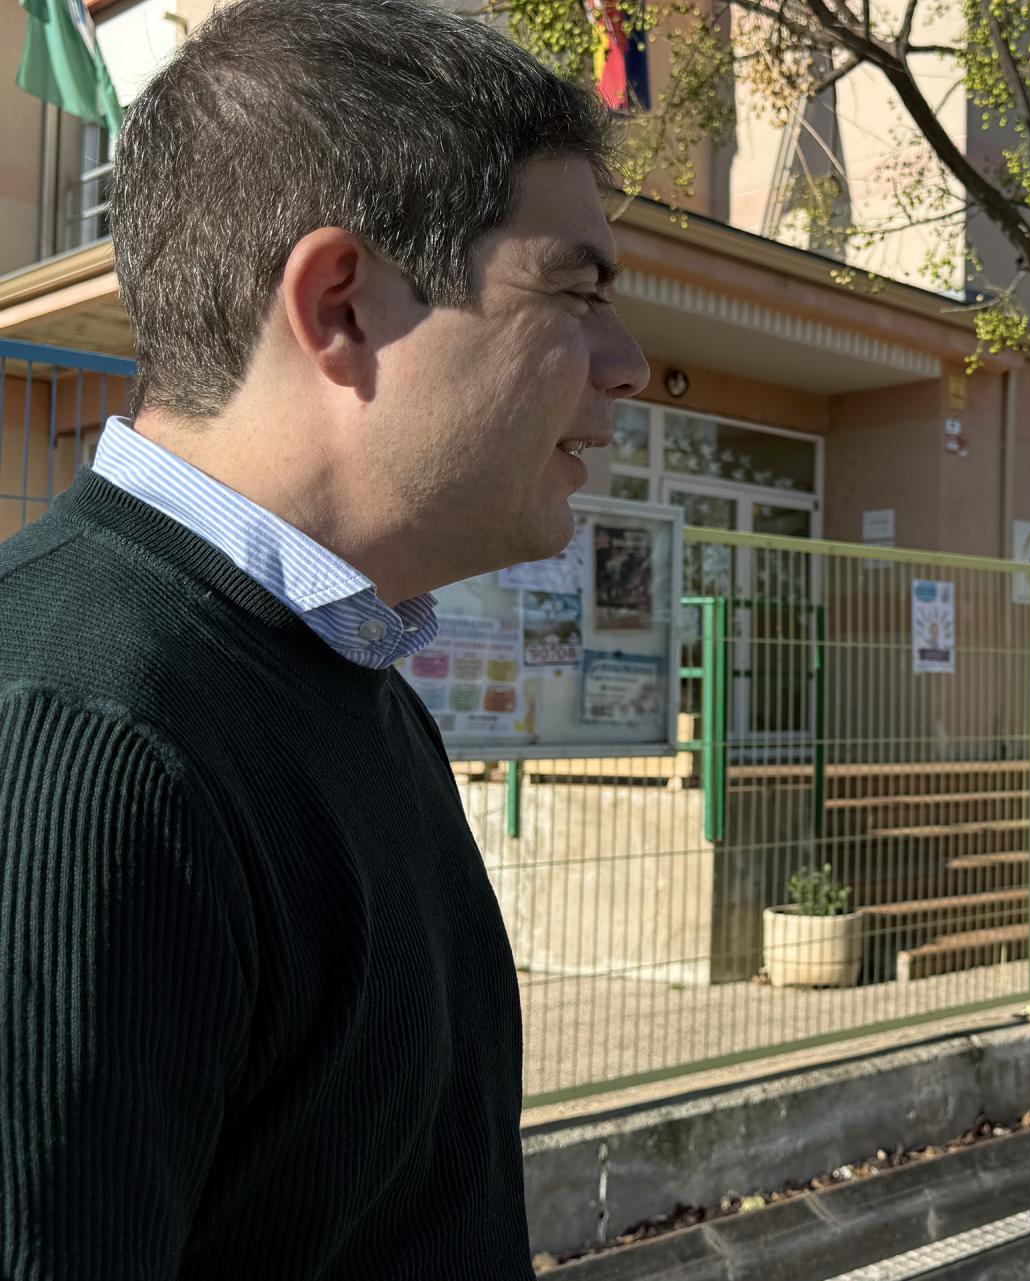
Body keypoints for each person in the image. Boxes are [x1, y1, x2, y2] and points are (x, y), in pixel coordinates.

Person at [0, 1, 647, 1276]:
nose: (626, 364)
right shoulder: (74, 739)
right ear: (342, 306)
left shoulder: (346, 678)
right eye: (575, 292)